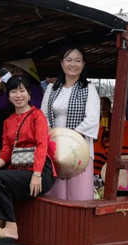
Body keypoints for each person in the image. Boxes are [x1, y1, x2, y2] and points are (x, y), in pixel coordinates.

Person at [0, 75, 55, 245]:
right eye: (14, 91)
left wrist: (37, 175)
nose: (19, 95)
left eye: (22, 90)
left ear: (29, 95)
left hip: (40, 172)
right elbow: (6, 154)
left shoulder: (37, 115)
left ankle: (11, 227)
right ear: (8, 96)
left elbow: (42, 146)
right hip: (18, 170)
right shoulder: (8, 121)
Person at [41, 47, 99, 200]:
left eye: (78, 60)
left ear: (84, 64)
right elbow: (43, 116)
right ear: (61, 63)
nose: (73, 64)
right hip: (54, 147)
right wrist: (54, 136)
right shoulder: (52, 89)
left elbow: (92, 119)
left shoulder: (89, 88)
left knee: (79, 195)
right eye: (69, 60)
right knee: (55, 193)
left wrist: (69, 140)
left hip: (80, 148)